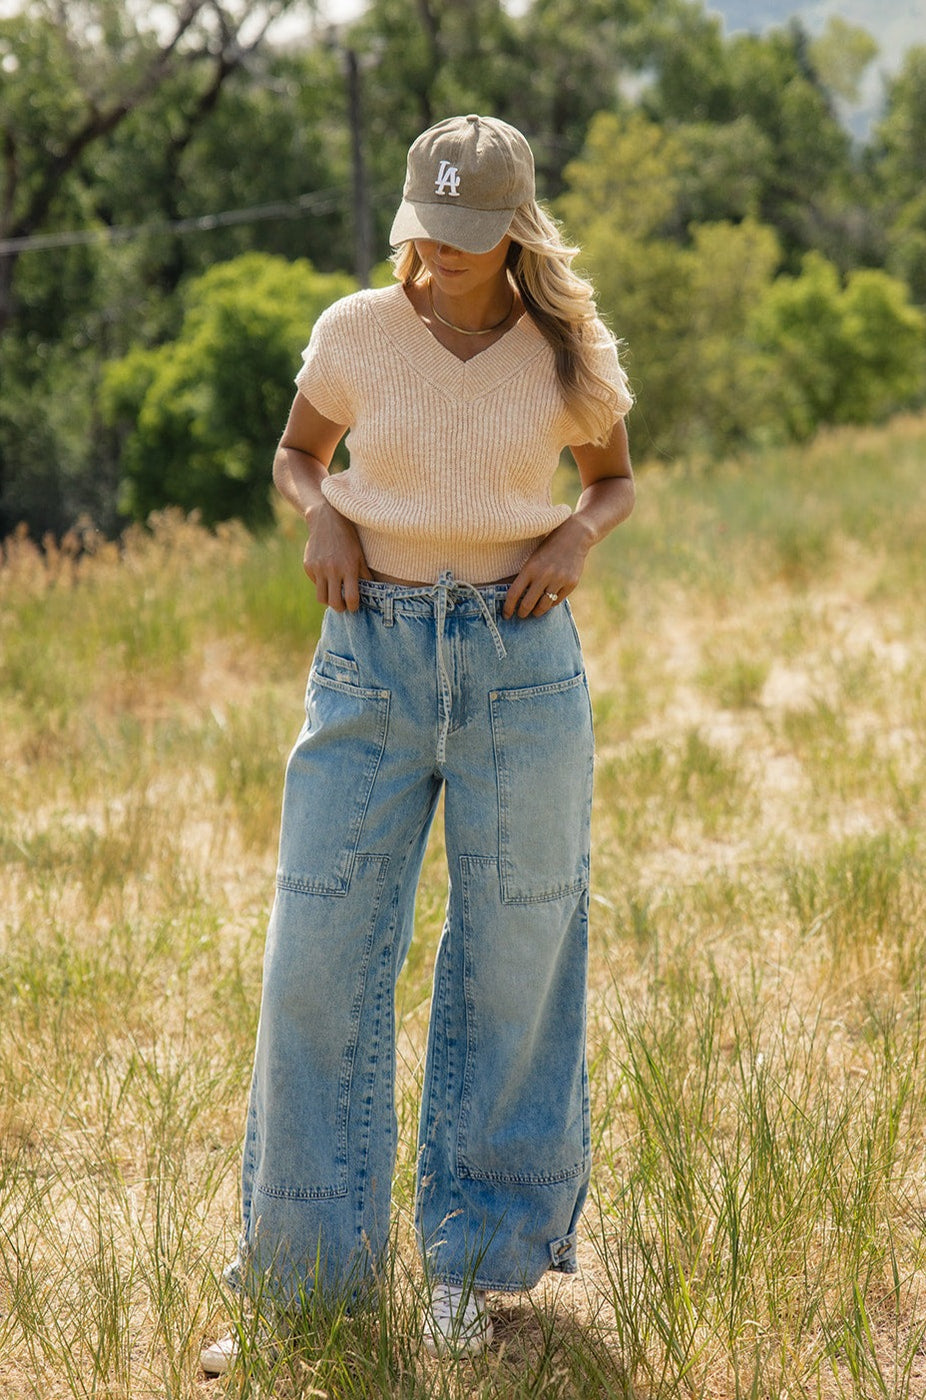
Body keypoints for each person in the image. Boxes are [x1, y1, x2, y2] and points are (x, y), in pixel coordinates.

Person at [201, 112, 634, 1375]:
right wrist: (322, 512)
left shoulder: (566, 353)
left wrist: (572, 539)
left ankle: (473, 1267)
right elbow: (294, 455)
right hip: (368, 656)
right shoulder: (352, 333)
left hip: (518, 660)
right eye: (419, 235)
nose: (433, 258)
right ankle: (301, 1280)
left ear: (511, 231)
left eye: (459, 241)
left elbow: (611, 478)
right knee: (315, 957)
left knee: (514, 959)